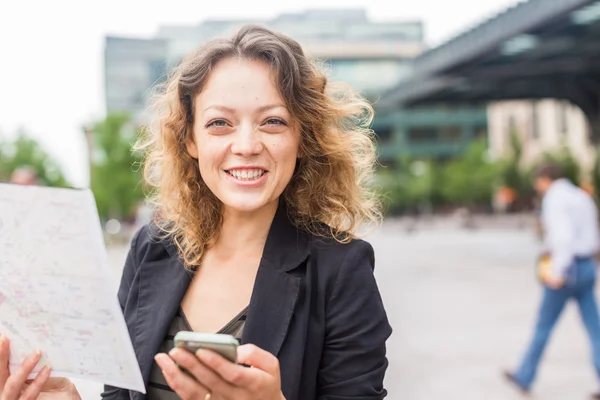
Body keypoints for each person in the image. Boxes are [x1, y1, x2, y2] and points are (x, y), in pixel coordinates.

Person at [0, 25, 392, 400]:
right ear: (190, 139)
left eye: (272, 121)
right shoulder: (151, 248)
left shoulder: (342, 271)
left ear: (302, 138)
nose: (246, 144)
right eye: (219, 123)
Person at [504, 163, 600, 398]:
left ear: (545, 178)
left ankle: (525, 375)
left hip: (566, 267)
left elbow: (563, 237)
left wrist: (558, 272)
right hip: (587, 264)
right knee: (594, 328)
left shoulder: (555, 198)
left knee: (544, 325)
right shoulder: (581, 196)